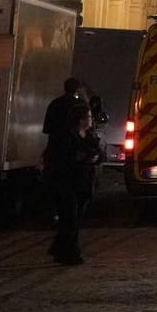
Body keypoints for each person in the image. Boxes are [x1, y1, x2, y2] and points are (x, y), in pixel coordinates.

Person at [45, 103, 102, 265]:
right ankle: (70, 253)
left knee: (74, 218)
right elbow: (60, 158)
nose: (91, 120)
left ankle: (59, 248)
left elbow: (98, 153)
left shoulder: (90, 135)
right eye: (89, 117)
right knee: (70, 219)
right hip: (66, 183)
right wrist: (83, 157)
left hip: (83, 183)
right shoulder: (64, 136)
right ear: (80, 119)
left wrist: (96, 157)